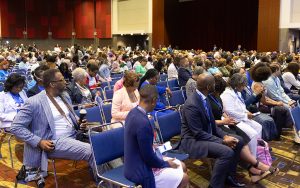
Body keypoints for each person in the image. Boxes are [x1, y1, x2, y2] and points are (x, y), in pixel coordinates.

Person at [10, 68, 94, 179]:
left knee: (106, 142)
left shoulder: (64, 96)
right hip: (54, 142)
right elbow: (16, 127)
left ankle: (110, 179)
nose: (66, 82)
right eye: (62, 80)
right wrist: (39, 142)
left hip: (74, 135)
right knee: (92, 150)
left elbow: (69, 117)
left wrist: (79, 122)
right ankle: (107, 183)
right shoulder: (34, 102)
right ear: (52, 84)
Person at [180, 73, 245, 188]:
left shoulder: (204, 98)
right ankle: (215, 185)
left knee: (238, 140)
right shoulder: (192, 104)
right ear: (209, 87)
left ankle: (228, 176)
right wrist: (223, 141)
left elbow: (212, 124)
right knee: (227, 152)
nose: (215, 85)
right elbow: (197, 133)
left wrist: (224, 136)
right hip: (193, 141)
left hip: (205, 134)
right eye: (213, 84)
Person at [124, 85, 189, 188]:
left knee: (182, 166)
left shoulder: (133, 112)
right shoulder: (142, 122)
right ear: (154, 100)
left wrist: (158, 152)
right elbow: (148, 157)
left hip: (135, 162)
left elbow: (143, 147)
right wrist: (166, 164)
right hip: (140, 169)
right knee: (184, 178)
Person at [220, 73, 262, 157]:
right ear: (237, 85)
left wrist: (247, 112)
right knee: (253, 134)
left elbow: (242, 105)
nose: (244, 88)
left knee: (258, 126)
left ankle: (258, 150)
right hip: (232, 120)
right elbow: (229, 111)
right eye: (242, 86)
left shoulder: (237, 92)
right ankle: (253, 157)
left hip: (241, 117)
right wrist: (245, 115)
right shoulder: (226, 94)